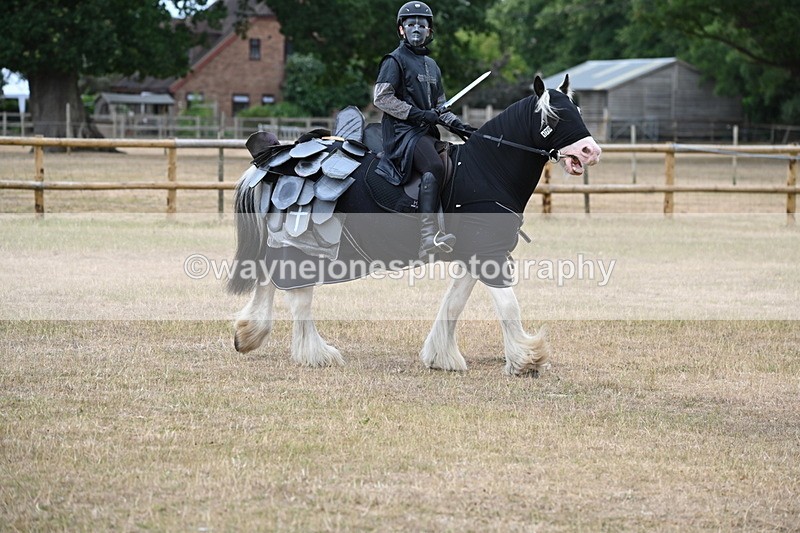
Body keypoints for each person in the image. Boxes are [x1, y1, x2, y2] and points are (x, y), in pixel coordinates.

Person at [373, 1, 470, 258]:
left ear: (430, 30)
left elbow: (440, 107)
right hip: (401, 134)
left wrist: (461, 127)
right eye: (411, 23)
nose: (417, 28)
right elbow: (382, 98)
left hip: (425, 134)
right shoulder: (394, 60)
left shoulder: (432, 66)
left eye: (422, 24)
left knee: (458, 162)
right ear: (401, 29)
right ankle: (428, 237)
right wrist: (416, 114)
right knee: (435, 166)